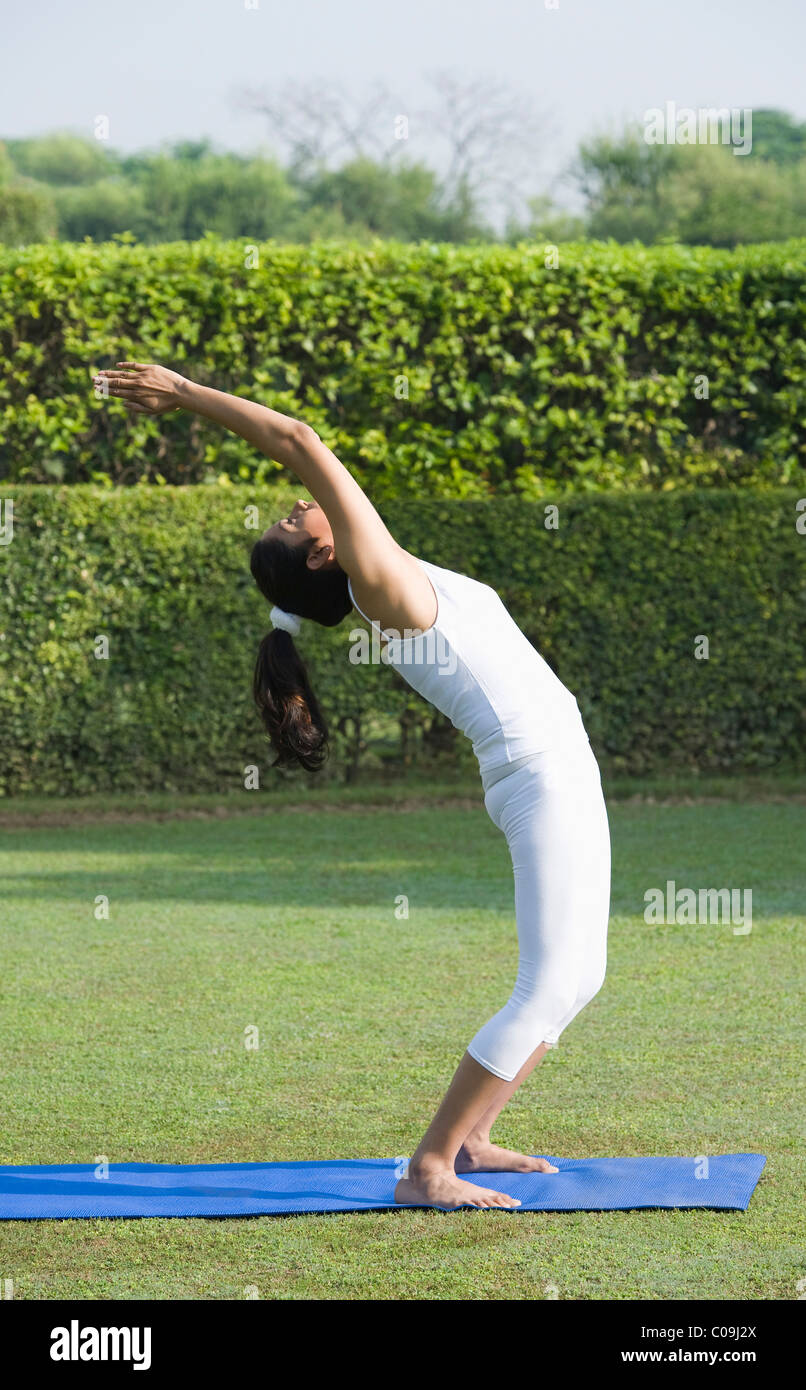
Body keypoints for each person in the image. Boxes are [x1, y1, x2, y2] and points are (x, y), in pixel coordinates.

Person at [96, 362, 611, 1212]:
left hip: (558, 768)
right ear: (326, 553)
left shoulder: (390, 569)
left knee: (580, 974)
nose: (299, 502)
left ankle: (475, 1136)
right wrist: (183, 393)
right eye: (294, 517)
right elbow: (299, 440)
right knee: (549, 984)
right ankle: (428, 1168)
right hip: (540, 776)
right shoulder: (383, 587)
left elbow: (309, 463)